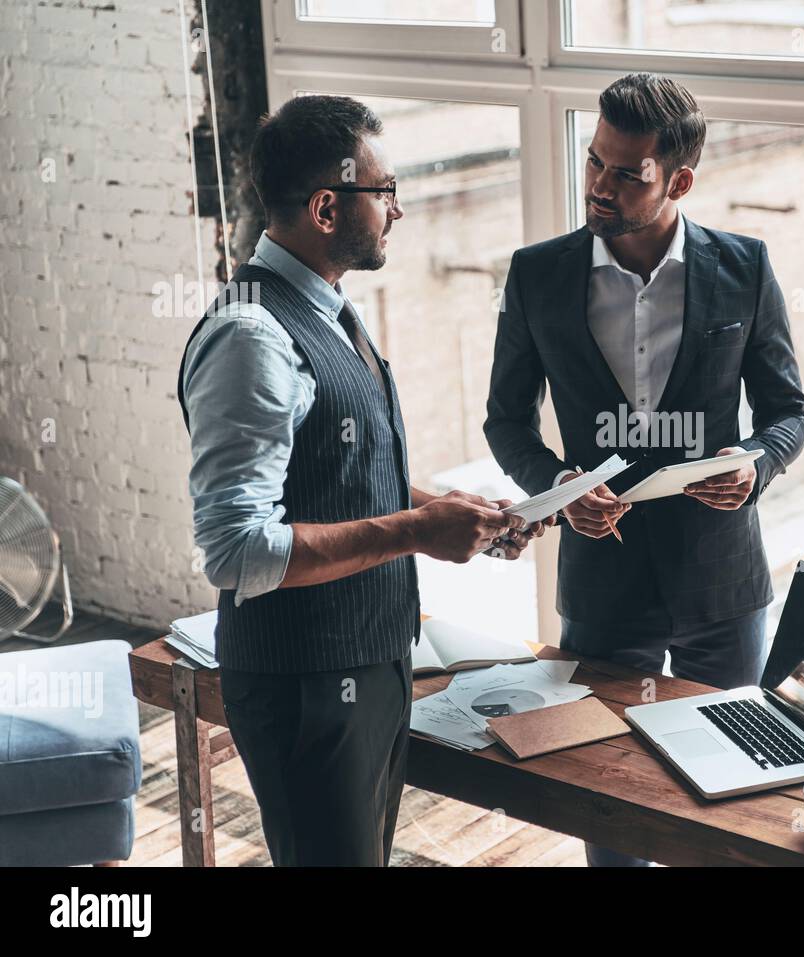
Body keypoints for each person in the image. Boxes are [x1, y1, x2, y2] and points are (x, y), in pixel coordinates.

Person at [179, 94, 547, 866]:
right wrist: (417, 531)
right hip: (305, 686)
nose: (399, 210)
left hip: (367, 666)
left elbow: (344, 471)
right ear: (324, 206)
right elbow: (237, 550)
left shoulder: (329, 306)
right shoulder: (252, 335)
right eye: (384, 192)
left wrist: (452, 511)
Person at [484, 73, 804, 866]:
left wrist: (757, 462)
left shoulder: (746, 267)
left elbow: (789, 412)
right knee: (607, 799)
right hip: (602, 581)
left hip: (722, 581)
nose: (601, 184)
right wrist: (563, 493)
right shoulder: (538, 273)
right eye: (596, 161)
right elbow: (505, 420)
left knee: (732, 799)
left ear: (680, 179)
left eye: (628, 173)